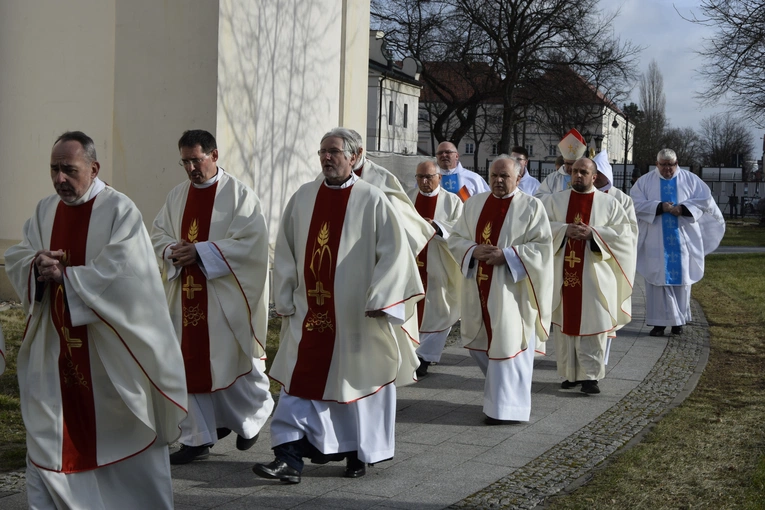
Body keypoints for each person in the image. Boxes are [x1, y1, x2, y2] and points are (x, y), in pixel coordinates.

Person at [4, 131, 188, 509]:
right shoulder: (45, 210)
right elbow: (20, 254)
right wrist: (36, 265)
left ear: (94, 167)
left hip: (110, 357)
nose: (59, 179)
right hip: (54, 349)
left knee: (122, 434)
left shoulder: (120, 211)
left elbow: (128, 278)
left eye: (69, 170)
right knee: (49, 437)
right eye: (54, 170)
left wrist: (68, 278)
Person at [252, 127, 423, 484]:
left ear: (354, 156)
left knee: (354, 385)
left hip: (355, 316)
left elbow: (395, 255)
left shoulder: (373, 200)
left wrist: (383, 297)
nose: (326, 158)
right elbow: (285, 251)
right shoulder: (302, 198)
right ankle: (288, 458)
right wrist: (283, 295)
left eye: (334, 152)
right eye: (323, 152)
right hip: (308, 312)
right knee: (298, 383)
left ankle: (356, 452)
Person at [151, 129, 273, 464]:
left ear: (214, 155)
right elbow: (157, 232)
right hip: (184, 295)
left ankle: (254, 417)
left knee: (233, 362)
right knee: (187, 363)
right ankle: (197, 437)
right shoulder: (177, 196)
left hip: (224, 298)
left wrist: (202, 253)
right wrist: (170, 250)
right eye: (185, 161)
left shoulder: (239, 196)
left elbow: (253, 243)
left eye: (197, 159)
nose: (191, 167)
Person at [448, 156, 553, 423]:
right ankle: (499, 401)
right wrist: (473, 250)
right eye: (494, 175)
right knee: (482, 346)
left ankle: (507, 410)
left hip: (512, 293)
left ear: (518, 178)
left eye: (504, 176)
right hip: (479, 288)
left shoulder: (532, 207)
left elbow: (542, 248)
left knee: (508, 344)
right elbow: (456, 239)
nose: (498, 180)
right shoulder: (474, 204)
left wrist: (507, 255)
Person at [540, 157, 635, 394]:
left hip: (595, 276)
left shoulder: (609, 204)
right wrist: (563, 230)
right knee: (564, 325)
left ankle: (591, 376)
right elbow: (539, 229)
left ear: (594, 177)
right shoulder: (554, 201)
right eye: (574, 172)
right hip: (562, 272)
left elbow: (624, 237)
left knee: (594, 323)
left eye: (583, 172)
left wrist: (593, 234)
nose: (578, 176)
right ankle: (569, 374)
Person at [630, 149, 725, 337]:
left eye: (671, 165)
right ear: (657, 164)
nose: (667, 169)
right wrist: (658, 206)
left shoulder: (691, 179)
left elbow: (704, 201)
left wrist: (684, 208)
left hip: (682, 240)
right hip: (655, 240)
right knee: (657, 280)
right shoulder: (645, 181)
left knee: (681, 281)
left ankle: (678, 323)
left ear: (677, 163)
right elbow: (634, 203)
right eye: (663, 165)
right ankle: (658, 324)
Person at [406, 160, 464, 378]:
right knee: (411, 307)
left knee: (439, 310)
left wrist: (438, 226)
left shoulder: (452, 201)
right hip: (412, 264)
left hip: (440, 266)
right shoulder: (408, 198)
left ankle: (425, 356)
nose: (423, 181)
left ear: (439, 177)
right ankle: (411, 353)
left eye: (429, 177)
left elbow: (460, 230)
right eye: (419, 176)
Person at [593, 150, 638, 363]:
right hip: (583, 263)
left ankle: (601, 359)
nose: (596, 177)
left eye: (599, 173)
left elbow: (629, 232)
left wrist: (597, 236)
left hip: (611, 262)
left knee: (607, 310)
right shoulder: (581, 196)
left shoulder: (622, 199)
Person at [535, 129, 586, 197]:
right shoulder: (552, 178)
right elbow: (539, 197)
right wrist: (557, 198)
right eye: (567, 163)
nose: (570, 167)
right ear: (564, 161)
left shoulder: (585, 178)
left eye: (573, 164)